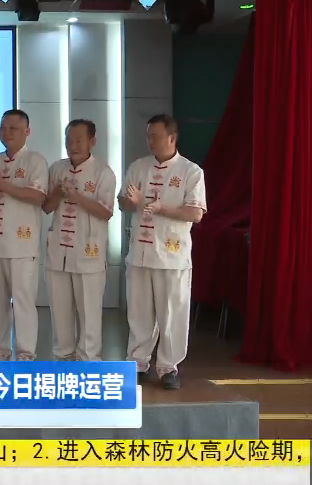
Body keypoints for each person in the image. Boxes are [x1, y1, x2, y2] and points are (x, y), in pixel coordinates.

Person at [119, 114, 206, 389]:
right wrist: (130, 201)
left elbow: (195, 213)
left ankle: (169, 367)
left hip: (171, 255)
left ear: (172, 137)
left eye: (155, 136)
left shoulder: (191, 171)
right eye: (148, 136)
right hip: (140, 253)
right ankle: (138, 362)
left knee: (172, 314)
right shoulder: (138, 167)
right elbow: (123, 203)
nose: (150, 141)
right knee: (139, 311)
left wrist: (158, 207)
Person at [0, 109, 48, 361]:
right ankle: (0, 350)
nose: (7, 133)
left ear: (27, 131)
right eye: (3, 128)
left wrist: (3, 185)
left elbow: (38, 196)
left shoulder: (35, 161)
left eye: (13, 128)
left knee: (23, 300)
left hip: (21, 244)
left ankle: (26, 352)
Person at [42, 119, 116, 361]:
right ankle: (62, 358)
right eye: (68, 140)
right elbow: (46, 207)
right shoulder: (57, 168)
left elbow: (106, 212)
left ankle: (88, 361)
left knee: (89, 313)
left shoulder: (103, 172)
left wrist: (78, 197)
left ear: (92, 142)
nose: (72, 146)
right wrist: (57, 193)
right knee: (59, 311)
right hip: (58, 253)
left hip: (88, 253)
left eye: (78, 140)